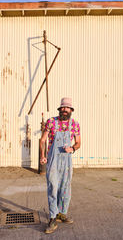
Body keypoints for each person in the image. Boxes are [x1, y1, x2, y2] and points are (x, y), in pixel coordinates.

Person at [40, 97, 81, 234]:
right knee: (53, 187)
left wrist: (73, 149)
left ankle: (61, 213)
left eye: (67, 108)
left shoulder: (74, 124)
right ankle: (52, 217)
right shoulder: (51, 122)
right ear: (59, 109)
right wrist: (43, 155)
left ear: (71, 110)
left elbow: (78, 143)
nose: (64, 110)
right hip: (53, 160)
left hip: (67, 161)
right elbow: (43, 140)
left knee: (65, 187)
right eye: (62, 107)